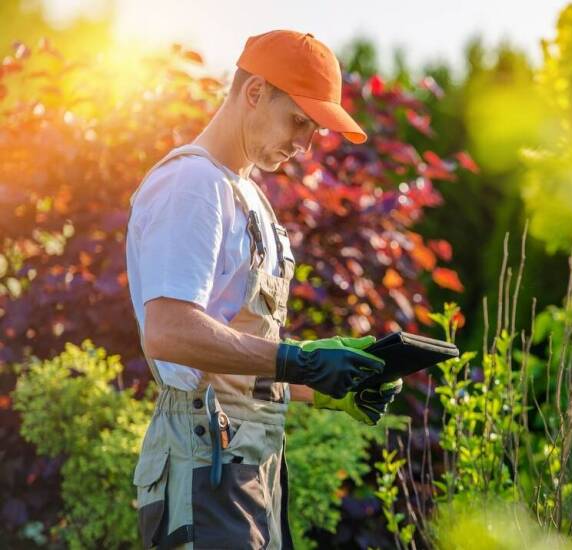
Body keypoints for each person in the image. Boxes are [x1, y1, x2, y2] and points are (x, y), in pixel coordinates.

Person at [125, 30, 401, 549]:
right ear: (254, 92)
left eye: (315, 129)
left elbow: (235, 363)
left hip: (250, 465)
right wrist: (297, 360)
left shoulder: (248, 195)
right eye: (299, 121)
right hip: (202, 466)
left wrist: (322, 385)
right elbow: (168, 332)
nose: (305, 143)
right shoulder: (192, 185)